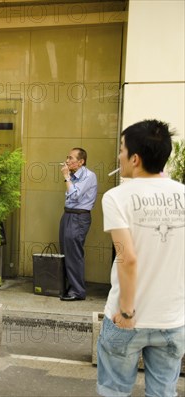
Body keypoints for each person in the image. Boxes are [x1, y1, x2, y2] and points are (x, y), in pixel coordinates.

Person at [97, 119, 185, 397]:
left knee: (114, 392)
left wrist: (126, 312)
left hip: (128, 319)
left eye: (122, 149)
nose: (119, 155)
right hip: (172, 320)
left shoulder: (116, 197)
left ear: (135, 158)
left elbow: (127, 257)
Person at [59, 147, 98, 301]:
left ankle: (77, 291)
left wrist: (66, 177)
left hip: (78, 217)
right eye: (67, 157)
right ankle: (71, 286)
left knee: (74, 254)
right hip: (68, 215)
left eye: (71, 158)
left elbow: (74, 195)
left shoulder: (89, 176)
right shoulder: (74, 176)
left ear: (81, 161)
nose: (67, 161)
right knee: (66, 252)